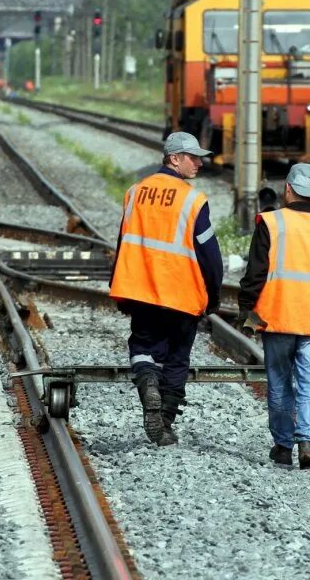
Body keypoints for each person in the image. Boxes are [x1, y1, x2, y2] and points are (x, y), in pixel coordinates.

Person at [109, 131, 223, 446]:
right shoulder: (193, 200)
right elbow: (210, 255)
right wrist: (213, 294)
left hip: (141, 290)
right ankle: (166, 424)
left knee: (143, 349)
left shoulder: (135, 192)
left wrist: (118, 287)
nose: (199, 163)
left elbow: (123, 242)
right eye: (193, 157)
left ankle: (148, 384)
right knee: (176, 358)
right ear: (174, 158)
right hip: (182, 292)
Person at [236, 164, 310, 470]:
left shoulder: (273, 222)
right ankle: (307, 441)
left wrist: (246, 307)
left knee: (280, 381)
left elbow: (256, 271)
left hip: (280, 314)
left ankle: (283, 446)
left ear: (288, 189)